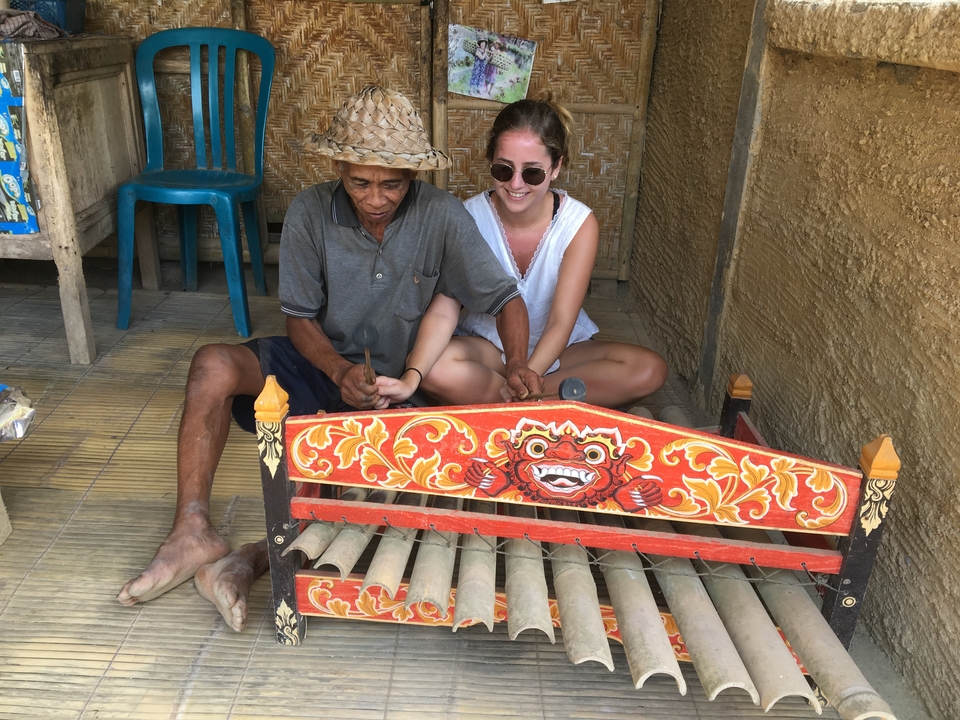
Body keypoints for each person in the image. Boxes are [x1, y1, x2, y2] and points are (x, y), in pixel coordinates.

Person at [116, 85, 543, 631]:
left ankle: (250, 558)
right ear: (339, 167)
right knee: (213, 364)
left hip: (399, 388)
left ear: (413, 175)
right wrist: (338, 370)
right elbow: (298, 318)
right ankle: (192, 530)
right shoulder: (309, 212)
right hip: (319, 366)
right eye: (359, 182)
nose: (375, 198)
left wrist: (519, 364)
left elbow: (505, 299)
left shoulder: (440, 215)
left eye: (392, 184)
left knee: (387, 513)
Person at [421, 98, 668, 408]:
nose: (515, 184)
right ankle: (547, 405)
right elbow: (446, 311)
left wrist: (528, 375)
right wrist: (516, 372)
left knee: (648, 370)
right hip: (488, 348)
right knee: (431, 368)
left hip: (560, 352)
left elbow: (561, 322)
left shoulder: (578, 224)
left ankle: (510, 403)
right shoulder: (467, 218)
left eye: (532, 173)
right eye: (503, 169)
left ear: (556, 167)